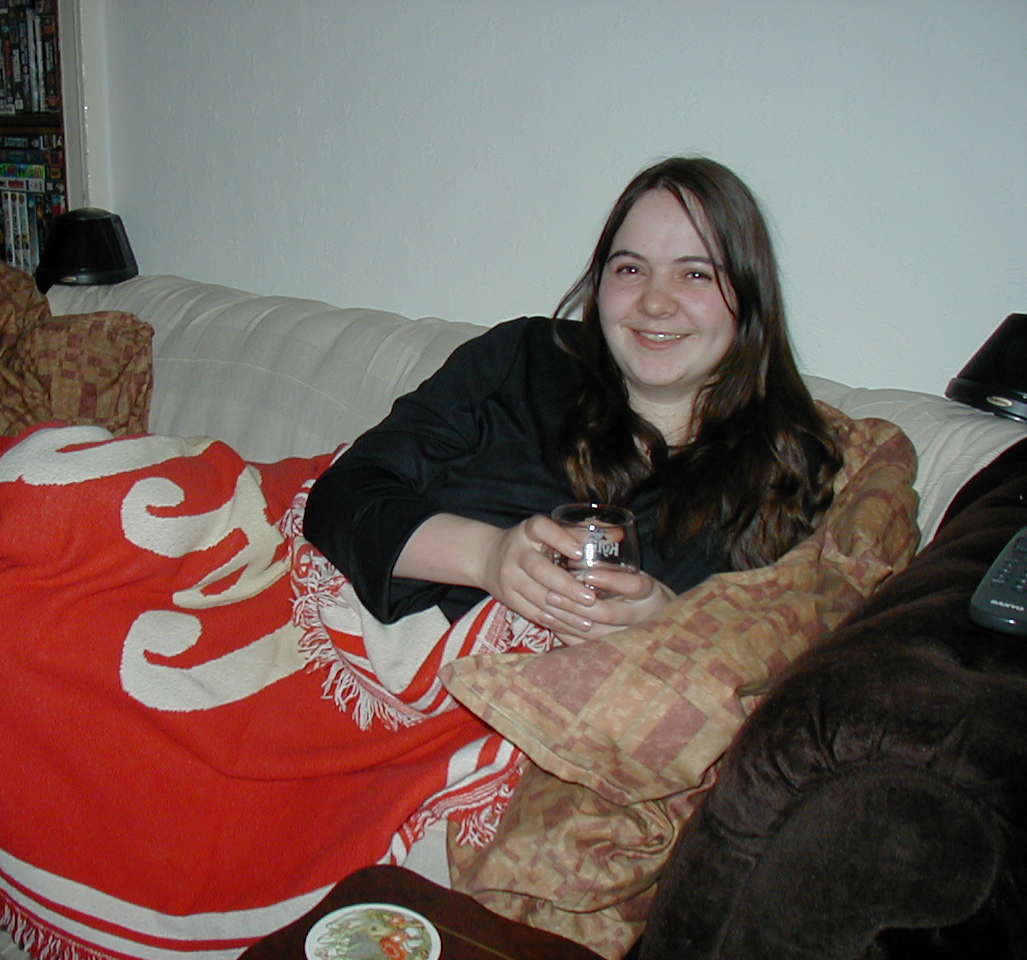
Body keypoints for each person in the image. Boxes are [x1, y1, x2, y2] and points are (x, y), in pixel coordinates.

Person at [303, 156, 844, 644]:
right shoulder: (520, 357)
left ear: (748, 297)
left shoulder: (785, 466)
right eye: (630, 269)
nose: (656, 302)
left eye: (695, 274)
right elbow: (341, 494)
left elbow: (782, 647)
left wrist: (672, 630)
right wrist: (487, 556)